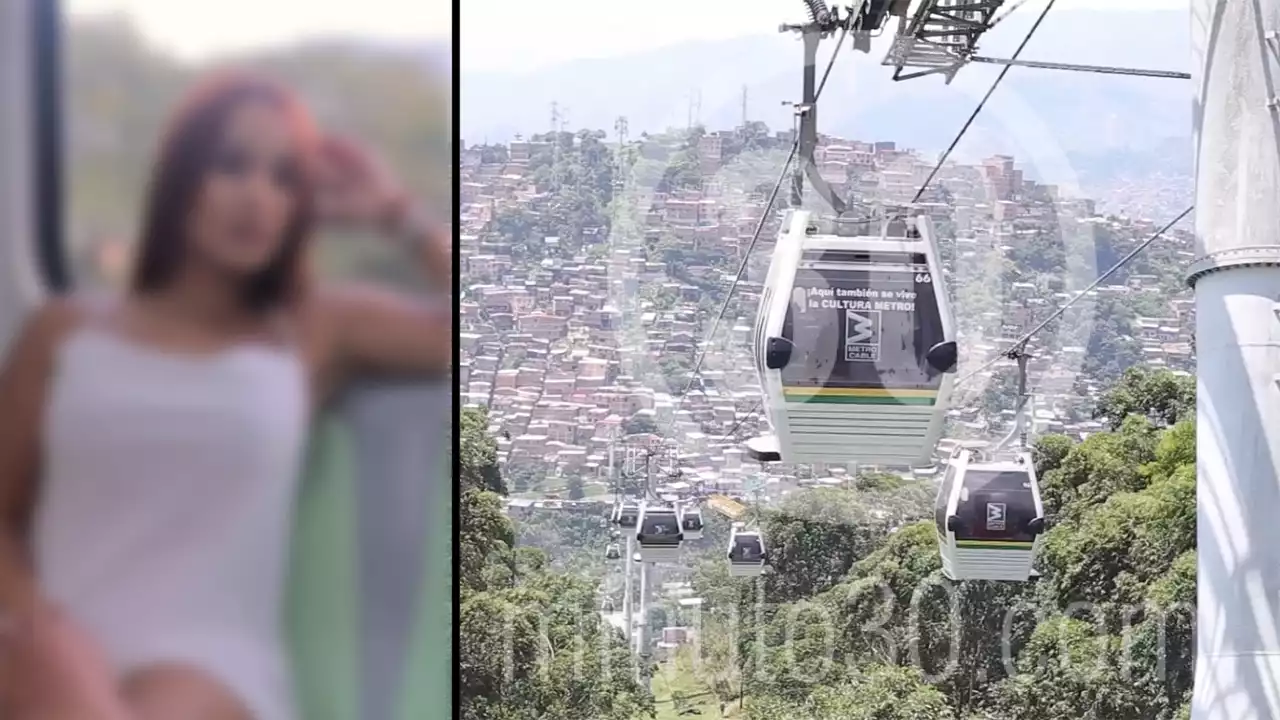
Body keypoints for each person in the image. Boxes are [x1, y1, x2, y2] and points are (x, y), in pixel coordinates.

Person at [0, 71, 450, 719]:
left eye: (284, 177)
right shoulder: (62, 333)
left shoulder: (311, 331)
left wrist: (393, 212)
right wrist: (42, 631)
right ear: (182, 175)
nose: (257, 197)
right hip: (47, 649)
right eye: (232, 165)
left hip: (212, 675)